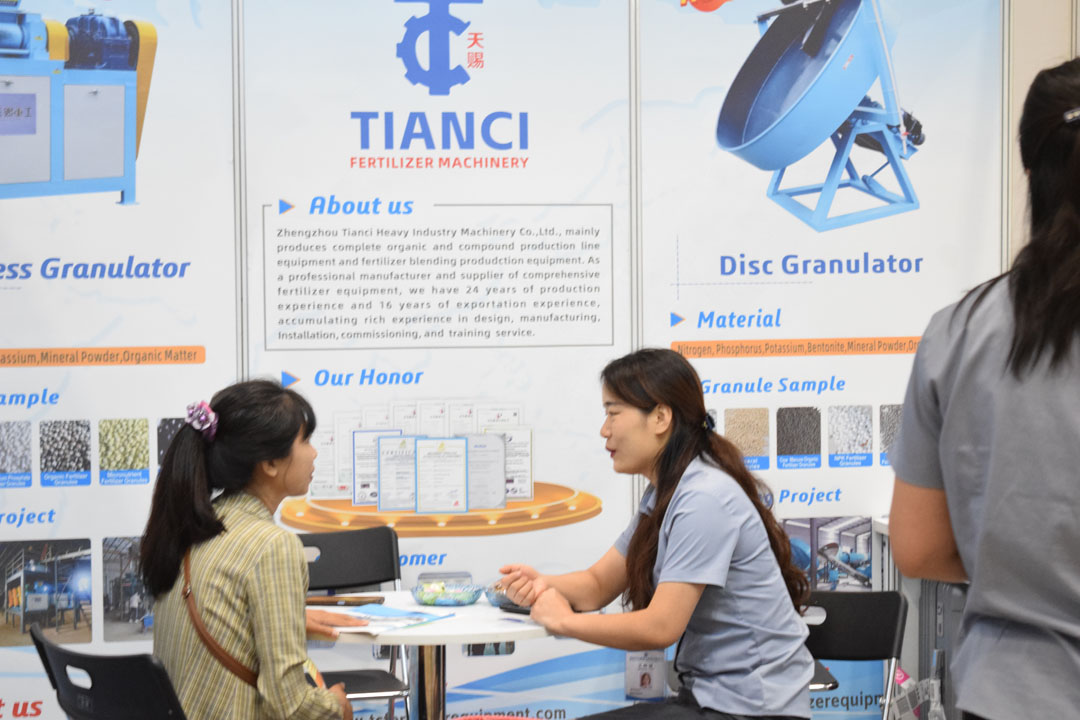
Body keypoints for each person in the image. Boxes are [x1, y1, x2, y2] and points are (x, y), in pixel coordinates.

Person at [888, 58, 1080, 720]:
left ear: (1030, 168)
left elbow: (918, 547)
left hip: (1008, 693)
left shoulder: (958, 332)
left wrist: (1020, 572)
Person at [500, 348, 812, 720]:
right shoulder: (666, 492)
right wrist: (540, 583)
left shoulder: (704, 498)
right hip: (712, 700)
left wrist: (564, 621)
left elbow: (661, 626)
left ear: (661, 417)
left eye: (613, 413)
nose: (604, 430)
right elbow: (598, 584)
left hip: (753, 709)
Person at [140, 380, 360, 720]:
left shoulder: (196, 528)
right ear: (269, 462)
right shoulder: (273, 546)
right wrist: (337, 706)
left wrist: (288, 621)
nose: (314, 453)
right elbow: (291, 706)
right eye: (305, 440)